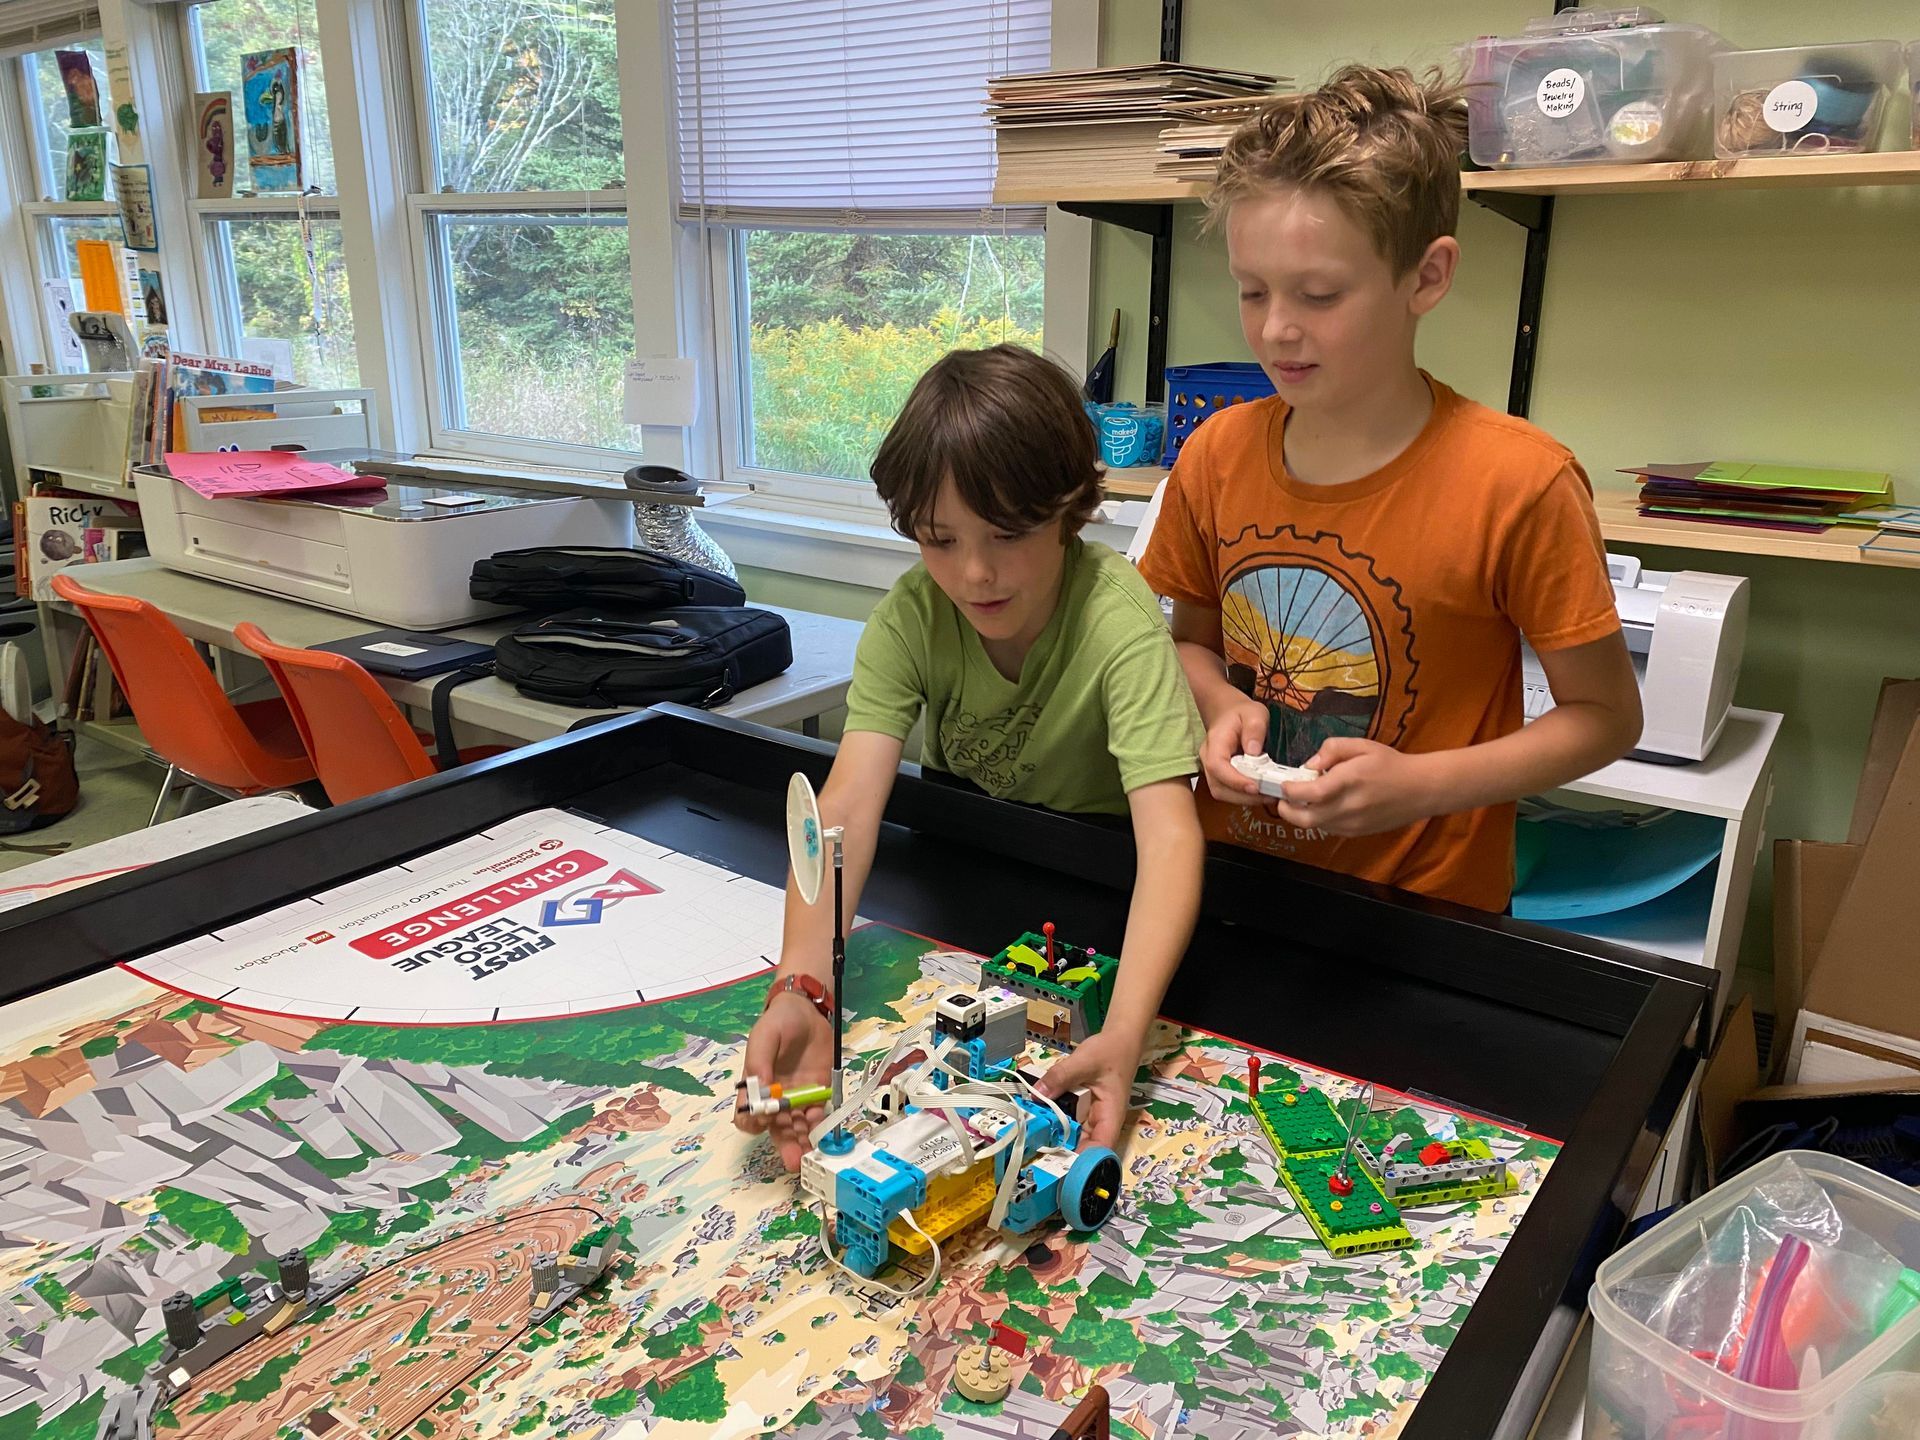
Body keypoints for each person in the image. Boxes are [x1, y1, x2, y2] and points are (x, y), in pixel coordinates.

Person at [1138, 66, 1641, 914]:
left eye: (1319, 294)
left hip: (1422, 912)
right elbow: (1192, 646)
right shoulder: (1217, 453)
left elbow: (1605, 717)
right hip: (1230, 883)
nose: (1275, 328)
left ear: (1427, 277)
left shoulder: (1520, 482)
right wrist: (1219, 703)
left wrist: (1419, 786)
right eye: (1251, 291)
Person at [737, 345, 1207, 1170]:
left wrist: (1127, 1031)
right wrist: (803, 986)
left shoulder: (1118, 621)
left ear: (1071, 510)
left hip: (1099, 903)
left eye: (1009, 534)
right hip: (965, 884)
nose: (975, 573)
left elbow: (1170, 838)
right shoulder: (912, 616)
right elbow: (844, 808)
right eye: (940, 539)